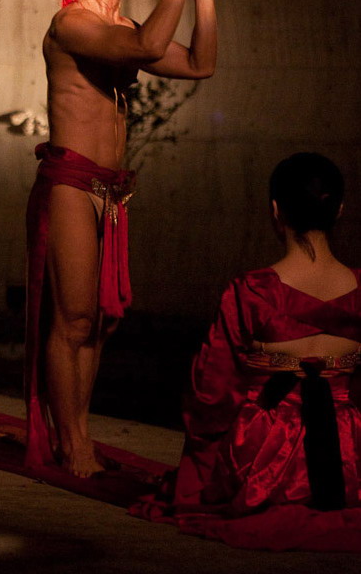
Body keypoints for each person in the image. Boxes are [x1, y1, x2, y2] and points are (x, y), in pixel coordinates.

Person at [25, 0, 221, 477]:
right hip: (70, 181)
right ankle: (72, 441)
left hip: (111, 189)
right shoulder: (72, 23)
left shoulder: (125, 26)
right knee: (74, 318)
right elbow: (147, 50)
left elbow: (200, 64)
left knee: (101, 322)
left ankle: (78, 433)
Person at [134, 152, 361, 550]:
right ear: (339, 209)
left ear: (275, 210)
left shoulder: (252, 290)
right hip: (350, 459)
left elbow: (211, 390)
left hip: (265, 457)